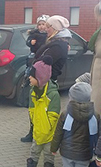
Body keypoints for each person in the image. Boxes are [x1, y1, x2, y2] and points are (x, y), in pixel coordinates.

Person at [20, 15, 71, 143]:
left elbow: (44, 63)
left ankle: (43, 136)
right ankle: (34, 133)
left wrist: (35, 75)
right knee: (35, 108)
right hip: (41, 80)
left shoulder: (58, 45)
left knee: (42, 110)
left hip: (45, 82)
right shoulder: (53, 42)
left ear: (55, 29)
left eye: (48, 27)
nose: (46, 29)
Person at [51, 82, 98, 167]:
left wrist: (53, 148)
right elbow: (97, 136)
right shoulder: (94, 116)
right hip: (83, 153)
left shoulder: (66, 114)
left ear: (71, 97)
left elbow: (58, 133)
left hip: (67, 152)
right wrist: (98, 153)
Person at [19, 56, 61, 167]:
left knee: (49, 153)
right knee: (34, 151)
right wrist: (34, 124)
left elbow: (54, 115)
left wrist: (46, 129)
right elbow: (31, 110)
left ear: (40, 78)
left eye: (32, 77)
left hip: (49, 132)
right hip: (38, 130)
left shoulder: (53, 95)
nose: (29, 79)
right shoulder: (33, 92)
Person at [18, 15, 49, 130]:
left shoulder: (48, 36)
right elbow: (28, 42)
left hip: (43, 57)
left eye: (43, 24)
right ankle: (26, 90)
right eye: (39, 24)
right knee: (29, 73)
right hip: (33, 56)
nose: (41, 27)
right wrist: (31, 42)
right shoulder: (34, 34)